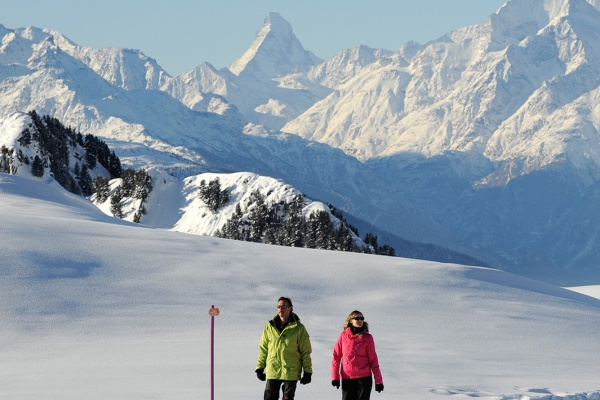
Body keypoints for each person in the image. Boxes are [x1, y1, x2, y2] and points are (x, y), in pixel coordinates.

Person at [256, 297, 313, 400]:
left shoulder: (299, 328)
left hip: (291, 371)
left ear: (290, 308)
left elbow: (305, 351)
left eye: (283, 306)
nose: (280, 309)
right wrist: (260, 367)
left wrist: (308, 371)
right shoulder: (269, 326)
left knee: (287, 398)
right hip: (273, 369)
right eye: (278, 306)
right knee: (269, 397)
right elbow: (264, 348)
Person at [331, 310, 384, 400]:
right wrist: (334, 377)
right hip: (347, 378)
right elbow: (336, 357)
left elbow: (373, 360)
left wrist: (378, 381)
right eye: (357, 318)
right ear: (351, 320)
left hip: (364, 379)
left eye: (362, 318)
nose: (360, 320)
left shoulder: (368, 338)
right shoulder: (343, 336)